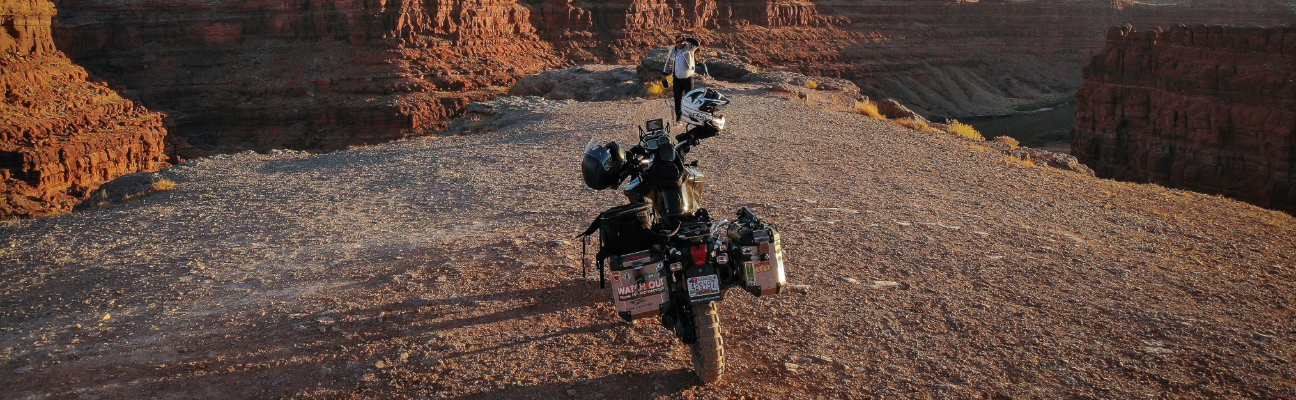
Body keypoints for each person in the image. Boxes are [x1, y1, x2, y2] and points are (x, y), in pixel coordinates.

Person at [663, 36, 700, 122]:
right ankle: (678, 117)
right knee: (677, 99)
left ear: (684, 41)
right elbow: (668, 62)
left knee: (690, 98)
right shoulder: (673, 50)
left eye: (681, 41)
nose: (679, 43)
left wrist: (687, 39)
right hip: (677, 78)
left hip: (687, 77)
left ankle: (691, 116)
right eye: (677, 42)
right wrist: (664, 73)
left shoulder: (689, 48)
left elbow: (697, 43)